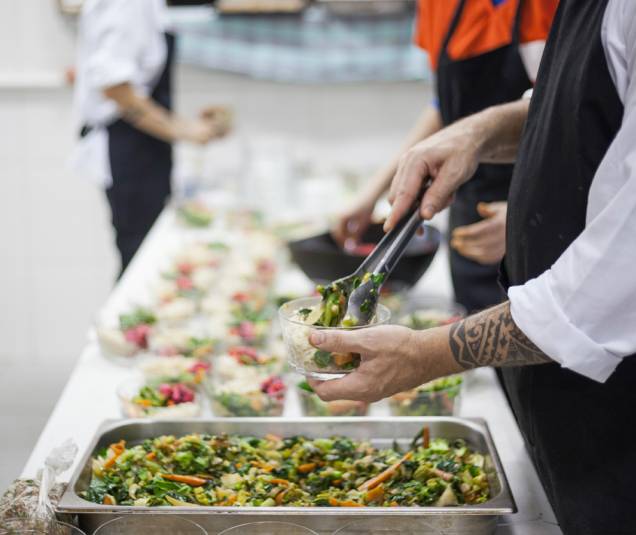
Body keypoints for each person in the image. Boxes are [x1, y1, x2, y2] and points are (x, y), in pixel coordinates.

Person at [309, 0, 636, 533]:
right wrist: (479, 132)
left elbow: (613, 286)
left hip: (615, 397)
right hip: (548, 364)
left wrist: (424, 354)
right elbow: (573, 106)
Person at [334, 0, 558, 312]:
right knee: (470, 324)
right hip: (469, 209)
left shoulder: (560, 8)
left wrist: (530, 212)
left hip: (552, 208)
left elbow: (580, 125)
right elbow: (447, 107)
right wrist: (373, 192)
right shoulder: (438, 5)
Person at [72, 0, 230, 275]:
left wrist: (186, 126)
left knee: (145, 255)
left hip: (137, 145)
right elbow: (115, 87)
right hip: (129, 149)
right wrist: (184, 131)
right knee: (139, 262)